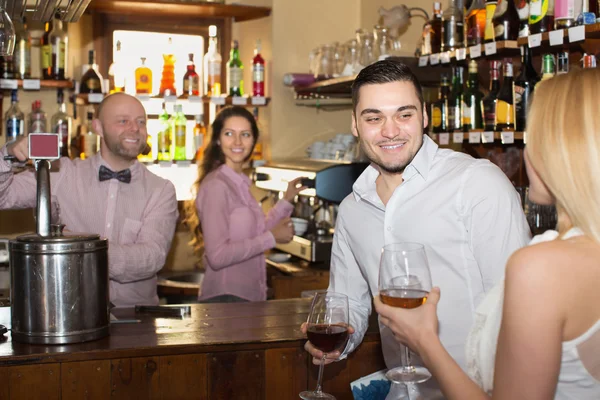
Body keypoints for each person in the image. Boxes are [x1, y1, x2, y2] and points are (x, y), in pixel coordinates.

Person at [302, 59, 531, 394]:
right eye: (374, 117)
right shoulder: (353, 208)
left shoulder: (477, 183)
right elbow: (349, 301)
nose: (390, 130)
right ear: (355, 124)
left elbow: (521, 304)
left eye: (404, 114)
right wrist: (339, 344)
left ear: (424, 117)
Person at [374, 68, 600, 399]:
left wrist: (423, 339)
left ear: (562, 152)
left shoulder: (543, 267)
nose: (526, 153)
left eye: (532, 138)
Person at [0, 92, 178, 307]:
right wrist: (8, 155)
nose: (135, 128)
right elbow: (4, 197)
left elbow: (151, 257)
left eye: (141, 122)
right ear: (98, 127)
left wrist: (78, 248)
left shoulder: (161, 189)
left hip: (134, 318)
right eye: (123, 121)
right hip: (67, 314)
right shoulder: (60, 173)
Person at [185, 106, 304, 303]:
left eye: (245, 134)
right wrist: (271, 239)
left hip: (247, 296)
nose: (237, 142)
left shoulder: (239, 182)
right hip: (226, 298)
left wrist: (286, 200)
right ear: (217, 139)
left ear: (253, 140)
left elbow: (255, 232)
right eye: (229, 134)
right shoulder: (217, 185)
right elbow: (218, 256)